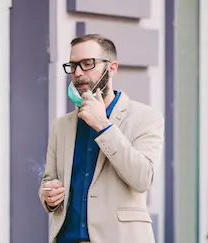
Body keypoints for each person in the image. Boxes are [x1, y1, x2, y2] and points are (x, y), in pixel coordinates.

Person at [39, 34, 164, 243]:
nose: (77, 73)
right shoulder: (61, 126)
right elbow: (49, 180)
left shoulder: (146, 117)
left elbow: (142, 179)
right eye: (73, 65)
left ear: (112, 68)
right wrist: (49, 197)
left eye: (87, 64)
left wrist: (103, 126)